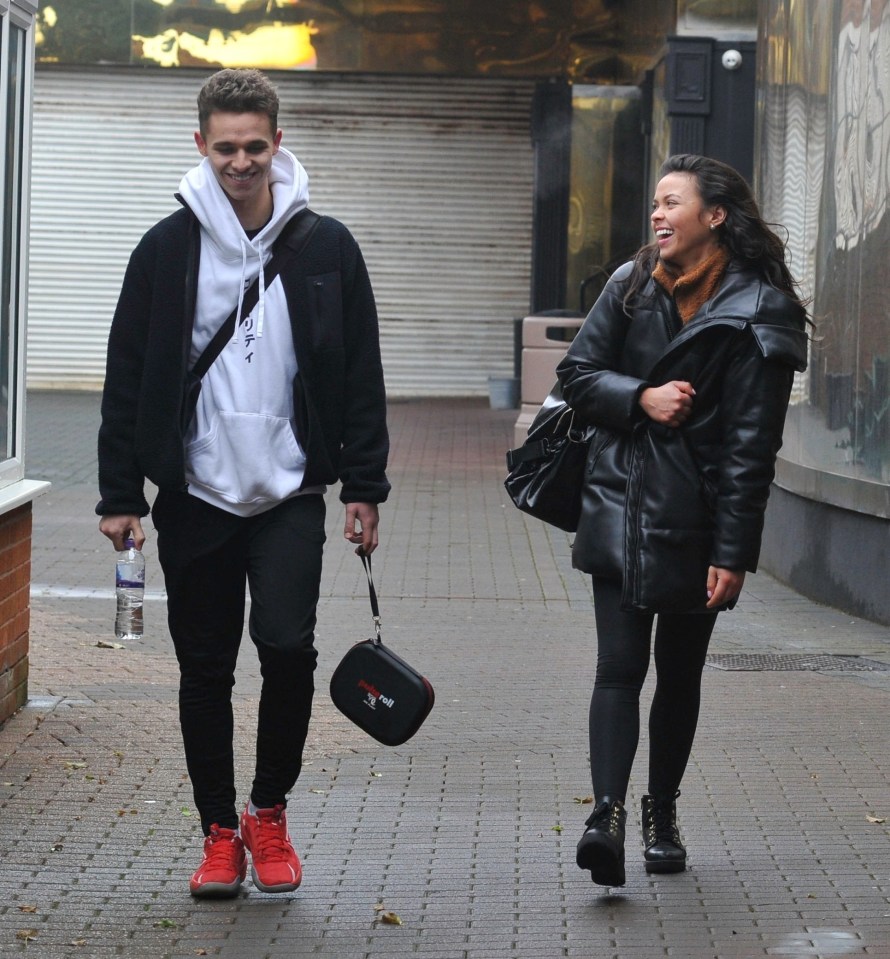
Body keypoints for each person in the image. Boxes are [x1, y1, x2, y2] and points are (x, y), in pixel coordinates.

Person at [96, 68, 389, 898]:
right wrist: (120, 494)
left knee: (289, 651)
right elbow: (127, 377)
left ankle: (269, 810)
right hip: (196, 496)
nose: (240, 162)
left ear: (277, 142)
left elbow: (361, 372)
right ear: (200, 145)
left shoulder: (327, 247)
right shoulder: (165, 248)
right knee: (205, 669)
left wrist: (365, 484)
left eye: (254, 146)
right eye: (224, 147)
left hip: (290, 491)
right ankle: (219, 832)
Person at [556, 154, 808, 888]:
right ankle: (605, 814)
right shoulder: (630, 285)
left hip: (698, 519)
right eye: (656, 204)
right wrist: (642, 396)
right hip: (620, 500)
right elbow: (576, 373)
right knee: (618, 665)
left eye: (673, 203)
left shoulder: (760, 310)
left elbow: (751, 448)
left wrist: (734, 552)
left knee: (680, 672)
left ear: (715, 215)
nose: (658, 216)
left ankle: (660, 809)